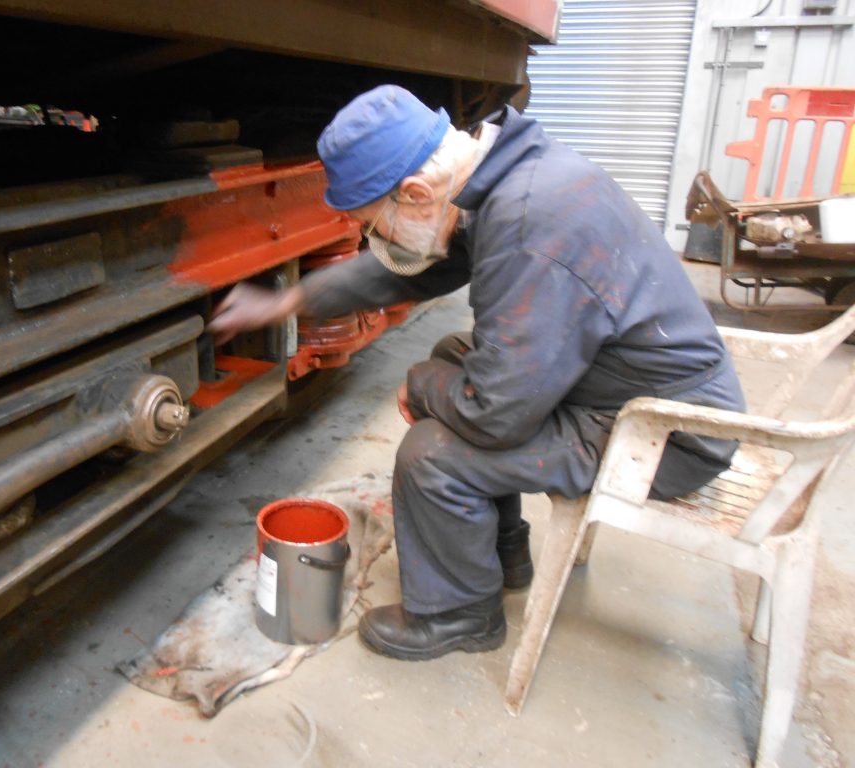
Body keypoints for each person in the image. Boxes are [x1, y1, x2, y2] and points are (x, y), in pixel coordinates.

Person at [208, 85, 745, 661]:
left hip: (667, 433)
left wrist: (420, 386)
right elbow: (412, 273)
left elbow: (494, 417)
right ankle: (501, 550)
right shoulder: (510, 176)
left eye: (377, 226)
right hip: (629, 380)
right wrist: (290, 300)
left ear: (415, 192)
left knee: (429, 453)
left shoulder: (526, 229)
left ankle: (459, 614)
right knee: (452, 352)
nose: (380, 240)